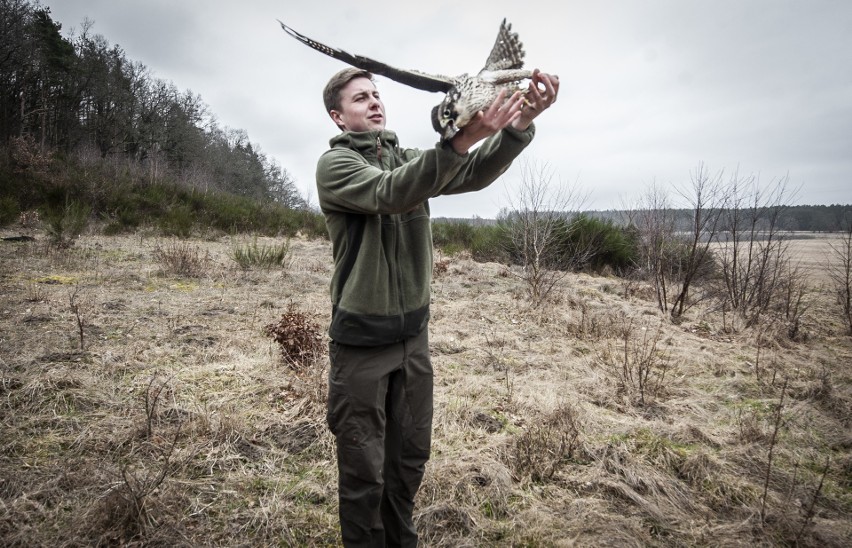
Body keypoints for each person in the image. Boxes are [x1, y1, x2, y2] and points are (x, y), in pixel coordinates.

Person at [316, 66, 559, 547]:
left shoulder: (407, 156)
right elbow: (391, 192)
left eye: (376, 94)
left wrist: (517, 126)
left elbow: (470, 172)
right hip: (362, 345)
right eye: (360, 98)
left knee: (408, 460)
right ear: (338, 116)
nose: (374, 102)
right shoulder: (336, 167)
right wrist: (456, 142)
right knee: (364, 472)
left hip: (413, 340)